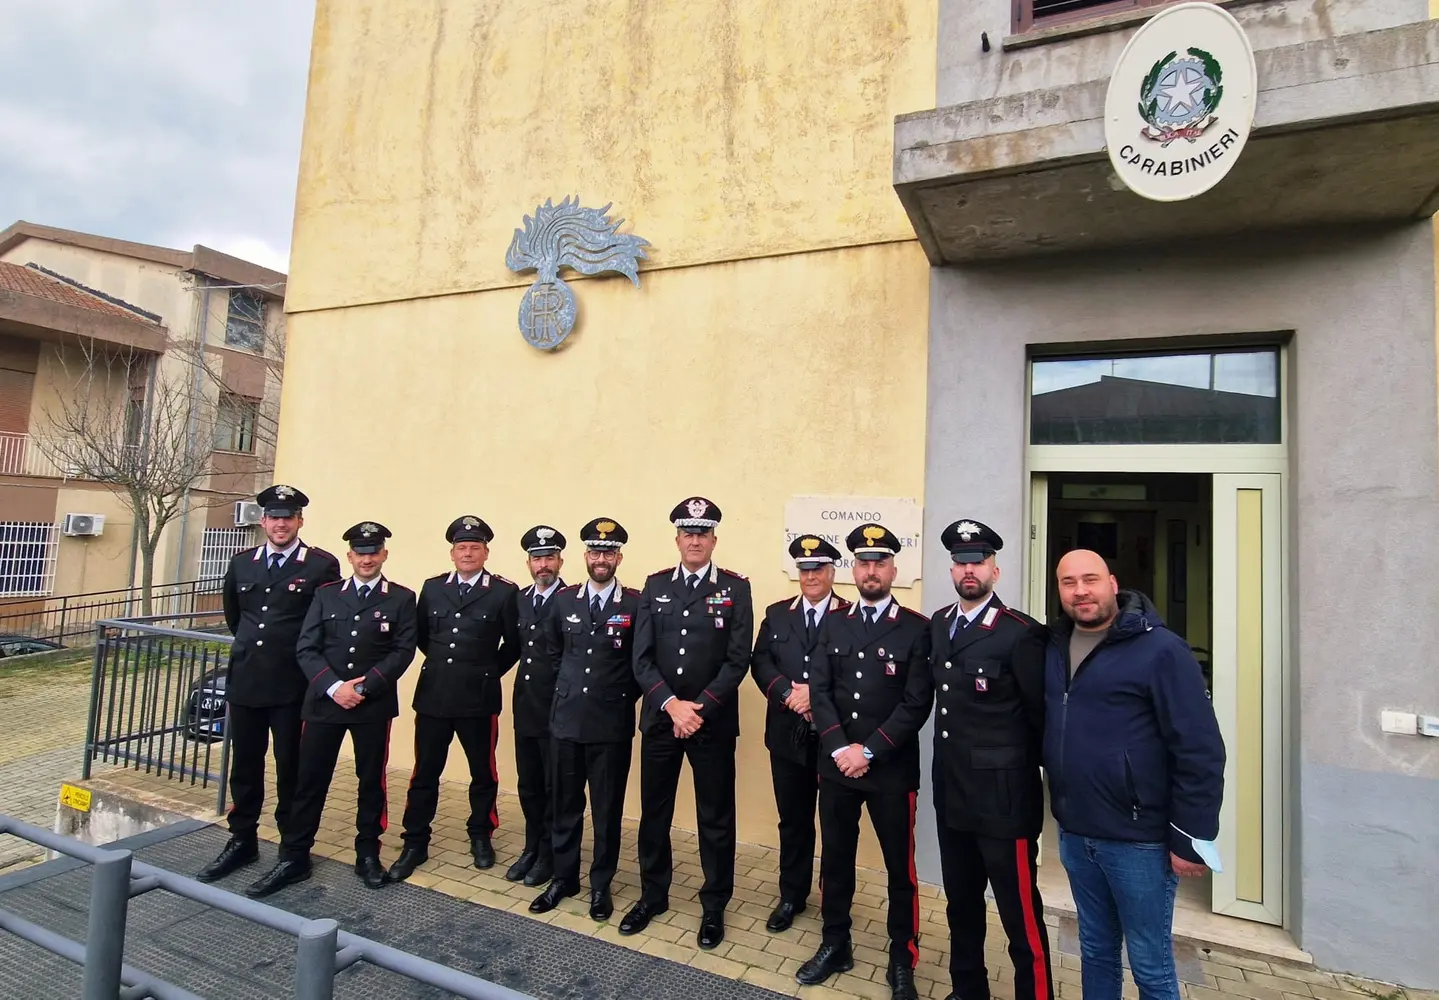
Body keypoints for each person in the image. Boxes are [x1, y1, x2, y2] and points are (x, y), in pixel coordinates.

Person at [1045, 549, 1225, 1000]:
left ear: (1112, 582)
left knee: (1150, 961)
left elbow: (1200, 748)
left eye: (1090, 579)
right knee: (1096, 950)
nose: (1080, 591)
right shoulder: (1052, 646)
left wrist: (1191, 837)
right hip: (1075, 832)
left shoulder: (1162, 650)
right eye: (1069, 582)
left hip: (1138, 840)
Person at [797, 523, 932, 1000]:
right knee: (835, 860)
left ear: (894, 568)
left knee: (901, 869)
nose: (871, 570)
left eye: (880, 562)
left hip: (890, 770)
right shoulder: (833, 621)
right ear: (853, 568)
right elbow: (822, 691)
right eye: (863, 562)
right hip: (836, 767)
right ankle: (836, 943)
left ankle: (903, 956)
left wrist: (868, 750)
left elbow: (915, 703)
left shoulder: (917, 628)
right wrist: (839, 749)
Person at [247, 521, 417, 897]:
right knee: (309, 782)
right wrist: (335, 687)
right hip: (325, 703)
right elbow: (306, 647)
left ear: (384, 555)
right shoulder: (326, 595)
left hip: (372, 706)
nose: (367, 559)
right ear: (350, 557)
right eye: (361, 553)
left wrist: (365, 686)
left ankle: (368, 854)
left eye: (374, 552)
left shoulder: (401, 598)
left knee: (371, 781)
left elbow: (403, 651)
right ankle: (294, 856)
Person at [926, 519, 1052, 1000]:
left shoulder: (1021, 634)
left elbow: (1041, 720)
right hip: (953, 795)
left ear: (996, 570)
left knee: (1020, 915)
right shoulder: (939, 624)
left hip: (1003, 805)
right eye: (960, 562)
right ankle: (968, 989)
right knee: (961, 906)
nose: (968, 570)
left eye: (978, 561)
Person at [625, 497, 753, 949]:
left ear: (714, 539)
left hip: (710, 724)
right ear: (677, 538)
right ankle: (652, 895)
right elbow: (640, 659)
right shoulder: (655, 586)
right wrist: (670, 705)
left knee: (715, 818)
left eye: (703, 533)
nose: (694, 540)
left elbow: (738, 661)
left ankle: (714, 904)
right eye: (687, 532)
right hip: (663, 722)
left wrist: (697, 708)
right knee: (654, 813)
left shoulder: (736, 589)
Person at [197, 484, 341, 884]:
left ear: (299, 521)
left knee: (291, 768)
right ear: (263, 522)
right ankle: (242, 840)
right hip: (247, 681)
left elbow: (326, 625)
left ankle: (293, 851)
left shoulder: (320, 566)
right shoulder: (243, 562)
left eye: (288, 517)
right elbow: (235, 617)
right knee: (244, 765)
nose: (281, 524)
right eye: (274, 517)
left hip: (293, 685)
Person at [388, 516, 521, 883]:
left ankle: (481, 834)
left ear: (486, 552)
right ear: (452, 552)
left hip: (478, 697)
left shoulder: (504, 592)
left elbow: (514, 642)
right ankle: (415, 841)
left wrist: (486, 670)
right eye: (461, 547)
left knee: (483, 773)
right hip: (434, 695)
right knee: (424, 773)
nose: (467, 553)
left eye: (474, 547)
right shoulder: (432, 588)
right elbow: (421, 635)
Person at [530, 517, 641, 920]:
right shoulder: (565, 601)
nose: (601, 559)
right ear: (585, 556)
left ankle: (600, 884)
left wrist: (617, 697)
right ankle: (564, 878)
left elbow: (639, 663)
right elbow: (555, 654)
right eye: (594, 552)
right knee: (565, 806)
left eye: (608, 552)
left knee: (607, 809)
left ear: (618, 557)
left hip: (610, 725)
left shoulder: (635, 602)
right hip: (566, 720)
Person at [749, 533, 848, 933]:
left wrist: (817, 696)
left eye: (818, 568)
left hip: (835, 738)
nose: (811, 576)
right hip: (787, 735)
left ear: (831, 571)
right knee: (793, 820)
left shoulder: (850, 614)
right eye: (805, 569)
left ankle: (833, 898)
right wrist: (789, 693)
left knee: (836, 822)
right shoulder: (777, 614)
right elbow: (761, 662)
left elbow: (859, 674)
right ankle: (792, 895)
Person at [507, 524, 567, 886]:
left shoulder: (571, 599)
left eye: (549, 557)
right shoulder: (520, 598)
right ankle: (532, 846)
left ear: (560, 560)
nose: (543, 564)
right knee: (528, 783)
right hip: (526, 704)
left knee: (553, 785)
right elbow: (513, 649)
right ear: (528, 562)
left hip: (558, 706)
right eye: (536, 558)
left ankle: (550, 853)